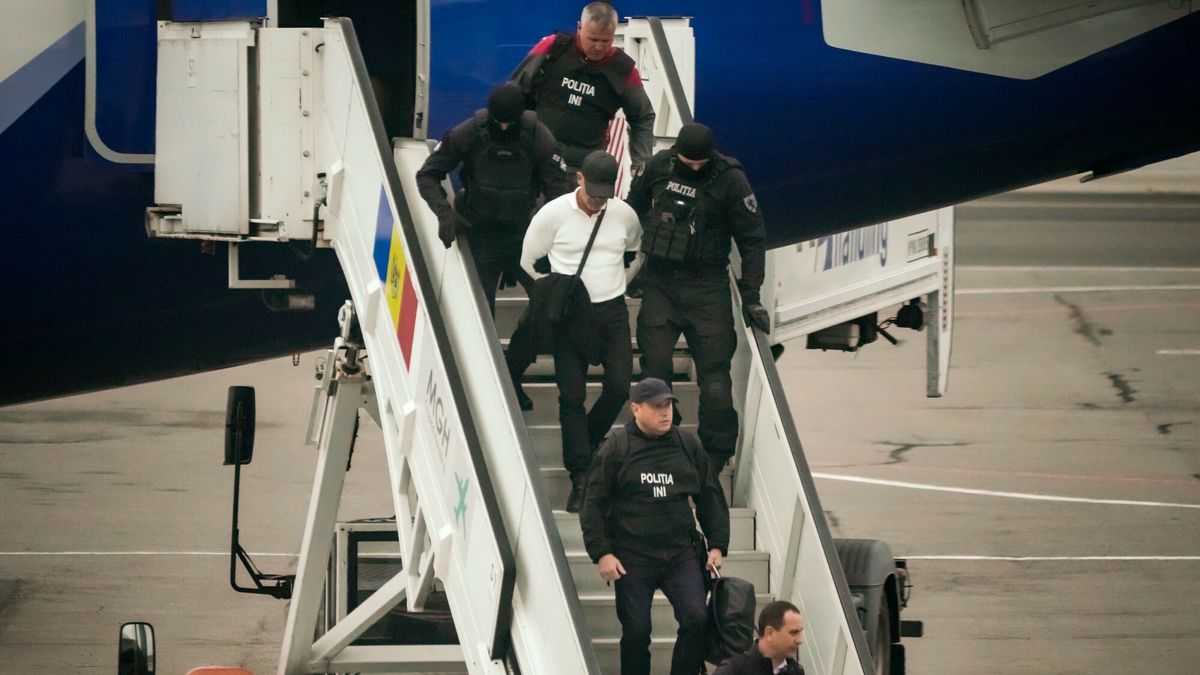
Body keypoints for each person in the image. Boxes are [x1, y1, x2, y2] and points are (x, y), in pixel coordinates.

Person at [626, 122, 769, 469]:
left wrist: (751, 295)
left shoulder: (731, 179)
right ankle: (660, 444)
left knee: (716, 380)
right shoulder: (658, 167)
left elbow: (752, 239)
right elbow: (631, 210)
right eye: (687, 163)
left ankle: (715, 456)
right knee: (655, 373)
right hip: (660, 281)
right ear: (677, 153)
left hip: (707, 286)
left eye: (699, 164)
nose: (693, 168)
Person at [580, 377, 729, 675]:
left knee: (696, 620)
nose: (666, 412)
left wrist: (716, 544)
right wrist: (602, 553)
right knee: (636, 631)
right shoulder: (617, 448)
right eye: (657, 406)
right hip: (633, 557)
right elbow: (592, 503)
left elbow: (710, 494)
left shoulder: (687, 444)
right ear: (636, 409)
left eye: (669, 405)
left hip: (681, 554)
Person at [519, 150, 642, 511]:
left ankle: (584, 444)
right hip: (571, 315)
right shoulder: (552, 215)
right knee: (570, 396)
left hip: (612, 310)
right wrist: (556, 293)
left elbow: (635, 252)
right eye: (593, 194)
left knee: (619, 386)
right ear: (579, 180)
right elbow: (528, 261)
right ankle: (580, 474)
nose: (598, 202)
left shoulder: (623, 215)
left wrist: (620, 282)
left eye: (606, 195)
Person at [415, 83, 572, 315]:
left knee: (550, 301)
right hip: (481, 233)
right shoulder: (469, 133)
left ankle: (525, 347)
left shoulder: (540, 138)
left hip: (524, 233)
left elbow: (559, 194)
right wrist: (443, 212)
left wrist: (551, 239)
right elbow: (427, 174)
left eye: (510, 123)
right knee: (480, 311)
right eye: (499, 122)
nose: (504, 127)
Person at [508, 2, 656, 174]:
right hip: (536, 157)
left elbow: (643, 116)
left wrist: (640, 161)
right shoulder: (553, 48)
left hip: (584, 169)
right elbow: (513, 93)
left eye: (606, 40)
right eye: (593, 39)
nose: (599, 47)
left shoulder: (624, 70)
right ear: (579, 28)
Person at [713, 601, 806, 675]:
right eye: (793, 632)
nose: (799, 640)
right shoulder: (734, 670)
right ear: (769, 633)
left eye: (800, 632)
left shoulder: (796, 671)